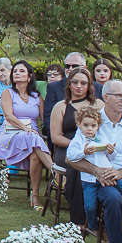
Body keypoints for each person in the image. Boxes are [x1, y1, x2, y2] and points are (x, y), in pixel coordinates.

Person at [69, 81, 122, 243]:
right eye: (119, 96)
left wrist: (119, 173)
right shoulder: (91, 120)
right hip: (97, 178)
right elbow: (72, 158)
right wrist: (96, 171)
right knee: (113, 198)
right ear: (106, 97)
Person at [0, 60, 55, 211]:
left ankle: (35, 195)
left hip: (32, 137)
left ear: (29, 77)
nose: (17, 73)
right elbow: (8, 116)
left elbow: (44, 118)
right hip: (10, 134)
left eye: (21, 71)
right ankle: (56, 172)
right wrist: (25, 129)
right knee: (34, 138)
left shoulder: (37, 97)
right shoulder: (7, 93)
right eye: (15, 71)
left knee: (35, 153)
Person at [49, 66, 104, 223]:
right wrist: (79, 147)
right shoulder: (61, 106)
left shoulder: (99, 105)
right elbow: (56, 137)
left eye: (83, 83)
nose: (79, 86)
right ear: (69, 84)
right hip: (67, 149)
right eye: (74, 82)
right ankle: (79, 219)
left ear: (89, 85)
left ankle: (97, 211)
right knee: (76, 166)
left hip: (94, 149)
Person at [42, 51, 102, 143]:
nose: (70, 69)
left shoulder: (98, 94)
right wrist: (77, 147)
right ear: (69, 85)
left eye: (74, 66)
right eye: (67, 66)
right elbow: (49, 121)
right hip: (66, 146)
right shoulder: (57, 95)